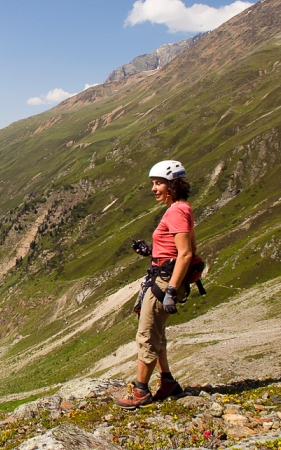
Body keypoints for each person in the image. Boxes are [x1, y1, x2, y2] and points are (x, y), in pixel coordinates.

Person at [117, 160, 196, 409]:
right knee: (157, 333)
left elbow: (185, 253)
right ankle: (168, 382)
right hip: (163, 275)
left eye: (158, 183)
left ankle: (140, 391)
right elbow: (179, 249)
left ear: (173, 185)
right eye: (153, 183)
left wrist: (171, 289)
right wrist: (151, 252)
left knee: (147, 334)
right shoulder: (181, 209)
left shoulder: (176, 211)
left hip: (164, 280)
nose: (154, 189)